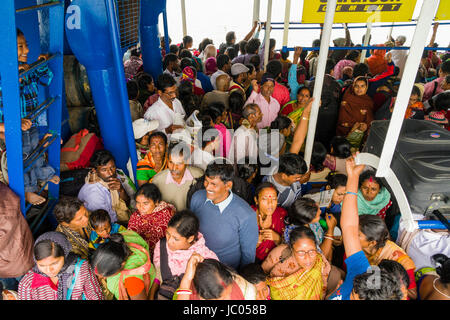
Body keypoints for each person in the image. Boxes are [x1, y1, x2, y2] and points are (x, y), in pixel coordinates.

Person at [327, 155, 404, 300]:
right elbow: (350, 226)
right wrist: (353, 177)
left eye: (354, 296)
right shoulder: (363, 274)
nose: (351, 292)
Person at [0, 28, 60, 205]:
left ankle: (45, 176)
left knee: (35, 152)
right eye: (20, 46)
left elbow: (47, 78)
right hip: (12, 129)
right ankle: (27, 191)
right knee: (22, 157)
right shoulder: (3, 78)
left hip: (30, 122)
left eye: (26, 46)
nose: (26, 50)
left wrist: (40, 64)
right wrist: (12, 125)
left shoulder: (27, 70)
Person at [189, 163, 259, 270]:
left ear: (228, 185)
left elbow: (248, 257)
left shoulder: (246, 215)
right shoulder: (197, 197)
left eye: (213, 184)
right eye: (206, 181)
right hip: (195, 265)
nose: (207, 187)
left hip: (224, 274)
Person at [152, 210, 218, 300]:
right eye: (168, 234)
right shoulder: (161, 246)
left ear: (190, 238)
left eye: (176, 238)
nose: (169, 241)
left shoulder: (207, 259)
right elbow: (158, 276)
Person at [18, 231, 104, 300]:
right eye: (42, 265)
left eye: (54, 263)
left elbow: (94, 294)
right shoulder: (27, 283)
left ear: (65, 254)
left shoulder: (80, 268)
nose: (49, 270)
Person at [262, 226, 331, 300]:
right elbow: (262, 277)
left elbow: (322, 289)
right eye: (301, 252)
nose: (307, 258)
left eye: (311, 251)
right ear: (292, 248)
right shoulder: (280, 254)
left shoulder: (321, 262)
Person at [90, 230, 156, 300]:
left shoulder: (132, 281)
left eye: (105, 276)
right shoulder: (119, 240)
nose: (104, 279)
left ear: (122, 265)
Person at [78, 149, 133, 225]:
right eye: (104, 170)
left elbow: (127, 203)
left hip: (117, 219)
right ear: (94, 170)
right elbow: (104, 223)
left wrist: (121, 190)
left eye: (112, 167)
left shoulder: (114, 177)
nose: (110, 172)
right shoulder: (94, 194)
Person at [0, 182, 34, 292]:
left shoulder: (5, 215)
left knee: (22, 289)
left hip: (15, 260)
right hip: (20, 255)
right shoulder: (4, 191)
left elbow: (6, 226)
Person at [175, 255, 256, 300]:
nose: (229, 299)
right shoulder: (189, 295)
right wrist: (187, 279)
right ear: (202, 297)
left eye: (230, 292)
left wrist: (187, 280)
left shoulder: (246, 291)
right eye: (223, 298)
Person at [151, 142, 204, 211]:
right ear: (167, 160)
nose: (174, 168)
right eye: (171, 162)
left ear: (187, 161)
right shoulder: (157, 181)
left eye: (179, 163)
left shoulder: (198, 175)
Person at [128, 183, 176, 255]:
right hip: (140, 255)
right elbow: (130, 237)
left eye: (145, 203)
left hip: (163, 255)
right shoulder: (135, 216)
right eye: (138, 203)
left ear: (156, 202)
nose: (140, 207)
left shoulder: (167, 213)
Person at [284, 197, 337, 262]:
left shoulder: (309, 221)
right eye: (317, 216)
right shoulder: (300, 236)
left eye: (319, 208)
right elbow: (321, 257)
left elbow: (320, 234)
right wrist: (331, 230)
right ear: (307, 220)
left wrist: (331, 240)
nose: (320, 211)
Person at [251, 182, 287, 262]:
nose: (270, 203)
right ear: (256, 200)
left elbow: (288, 244)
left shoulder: (282, 214)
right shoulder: (246, 216)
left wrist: (277, 238)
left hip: (275, 260)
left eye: (274, 199)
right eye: (265, 199)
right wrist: (256, 242)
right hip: (252, 262)